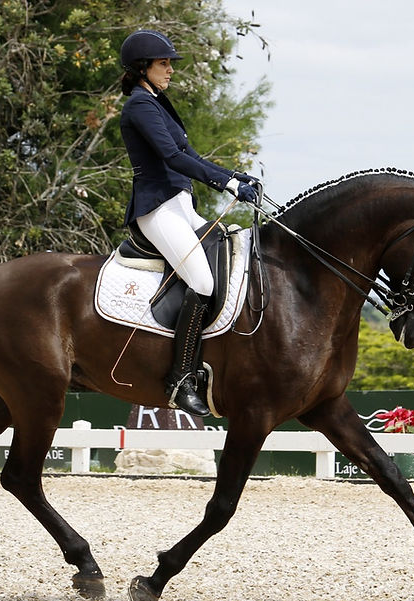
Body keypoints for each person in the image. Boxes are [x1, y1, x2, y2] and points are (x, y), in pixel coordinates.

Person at [119, 28, 258, 417]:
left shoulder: (158, 104)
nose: (170, 70)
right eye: (164, 64)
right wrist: (226, 183)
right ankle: (181, 378)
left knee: (230, 258)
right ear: (142, 67)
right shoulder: (139, 106)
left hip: (180, 205)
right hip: (158, 210)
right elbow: (171, 157)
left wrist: (234, 174)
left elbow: (191, 154)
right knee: (201, 280)